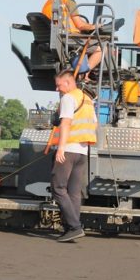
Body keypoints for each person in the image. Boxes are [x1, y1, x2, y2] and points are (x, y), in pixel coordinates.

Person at [51, 69, 97, 242]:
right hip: (82, 150)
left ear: (69, 83)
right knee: (74, 192)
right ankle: (71, 228)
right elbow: (95, 122)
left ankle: (75, 226)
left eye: (59, 85)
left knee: (58, 188)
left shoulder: (68, 98)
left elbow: (66, 123)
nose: (57, 89)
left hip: (69, 149)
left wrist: (61, 148)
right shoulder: (88, 100)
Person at [42, 0, 102, 80]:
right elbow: (80, 25)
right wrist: (95, 26)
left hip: (57, 40)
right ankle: (85, 74)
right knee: (102, 49)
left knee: (87, 46)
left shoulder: (47, 5)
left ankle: (81, 70)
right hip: (69, 39)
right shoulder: (68, 1)